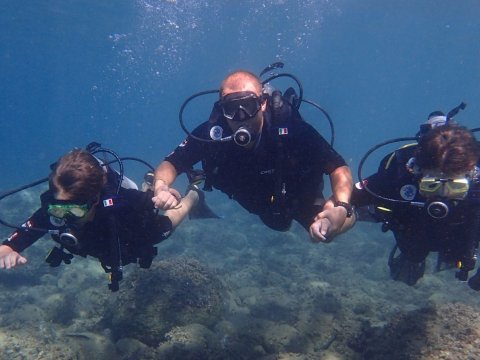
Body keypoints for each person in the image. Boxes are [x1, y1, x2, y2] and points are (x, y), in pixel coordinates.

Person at [152, 70, 355, 242]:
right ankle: (195, 196)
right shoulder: (211, 134)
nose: (241, 117)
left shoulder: (290, 128)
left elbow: (338, 167)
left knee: (324, 233)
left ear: (263, 103)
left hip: (298, 193)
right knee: (279, 225)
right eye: (232, 108)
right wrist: (161, 187)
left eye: (248, 106)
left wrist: (342, 206)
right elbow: (172, 163)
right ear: (222, 108)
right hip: (255, 201)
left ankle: (352, 209)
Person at [0, 148, 211, 291]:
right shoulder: (55, 206)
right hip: (103, 231)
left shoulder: (122, 202)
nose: (66, 217)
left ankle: (193, 195)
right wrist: (8, 248)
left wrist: (167, 195)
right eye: (58, 208)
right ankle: (148, 181)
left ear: (95, 199)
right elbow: (30, 226)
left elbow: (158, 201)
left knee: (162, 229)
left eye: (75, 210)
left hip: (127, 219)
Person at [351, 118, 480, 287]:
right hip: (414, 235)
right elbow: (349, 198)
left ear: (471, 177)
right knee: (413, 254)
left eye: (455, 187)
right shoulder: (399, 177)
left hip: (461, 238)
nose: (442, 198)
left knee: (458, 253)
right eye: (431, 186)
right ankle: (411, 260)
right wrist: (337, 213)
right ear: (417, 173)